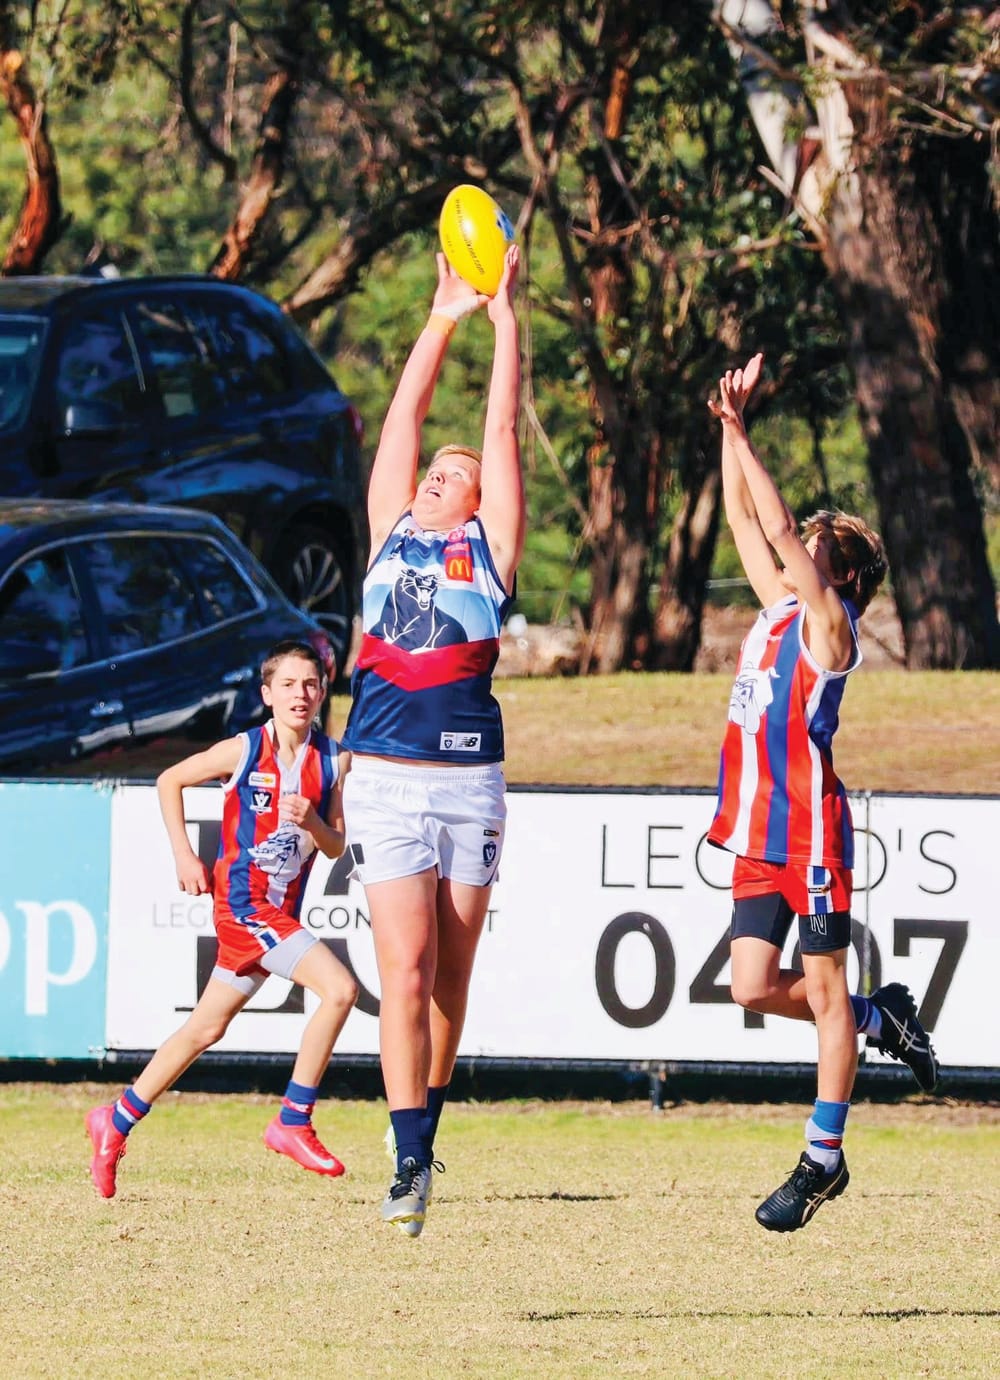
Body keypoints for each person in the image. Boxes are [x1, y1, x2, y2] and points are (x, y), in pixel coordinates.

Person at [706, 354, 938, 1234]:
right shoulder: (778, 610)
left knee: (825, 993)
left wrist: (742, 430)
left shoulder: (831, 629)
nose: (798, 545)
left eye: (815, 547)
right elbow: (744, 516)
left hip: (809, 835)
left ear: (840, 577)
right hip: (757, 833)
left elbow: (771, 524)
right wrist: (723, 426)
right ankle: (885, 1018)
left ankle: (822, 1158)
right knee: (749, 987)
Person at [341, 243, 524, 1238]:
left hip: (467, 782)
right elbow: (403, 418)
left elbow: (497, 427)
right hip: (381, 778)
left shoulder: (488, 552)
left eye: (452, 477)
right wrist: (442, 315)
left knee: (452, 977)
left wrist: (503, 323)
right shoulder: (389, 532)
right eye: (432, 473)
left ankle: (424, 1127)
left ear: (477, 502)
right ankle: (408, 1158)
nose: (433, 478)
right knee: (404, 971)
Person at [85, 638, 358, 1198]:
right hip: (243, 907)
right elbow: (169, 780)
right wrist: (184, 855)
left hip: (279, 910)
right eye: (287, 684)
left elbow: (334, 846)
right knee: (340, 990)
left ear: (322, 691)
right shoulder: (245, 749)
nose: (300, 694)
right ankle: (293, 1119)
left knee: (205, 1029)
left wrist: (312, 822)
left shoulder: (334, 759)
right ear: (267, 694)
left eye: (310, 684)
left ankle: (116, 1118)